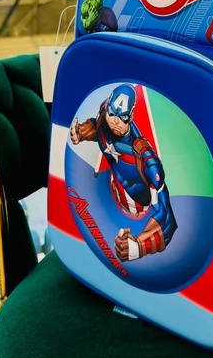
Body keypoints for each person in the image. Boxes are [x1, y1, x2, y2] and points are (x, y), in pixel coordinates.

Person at [70, 84, 177, 262]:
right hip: (110, 199)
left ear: (130, 117)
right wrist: (82, 132)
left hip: (139, 212)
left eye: (122, 117)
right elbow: (98, 127)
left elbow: (166, 218)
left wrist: (138, 246)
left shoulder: (146, 158)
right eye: (112, 113)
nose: (115, 121)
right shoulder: (103, 116)